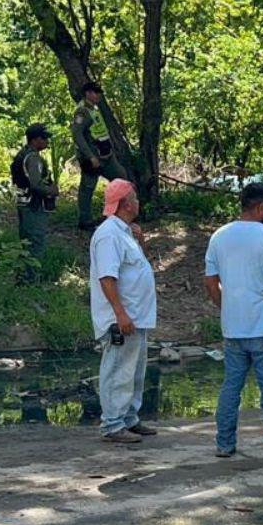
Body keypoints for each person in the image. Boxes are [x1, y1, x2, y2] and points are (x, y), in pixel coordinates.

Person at [204, 182, 263, 461]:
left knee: (231, 385)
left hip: (234, 328)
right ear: (261, 207)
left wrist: (226, 306)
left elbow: (210, 281)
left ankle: (224, 443)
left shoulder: (219, 237)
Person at [89, 179, 158, 443]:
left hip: (136, 316)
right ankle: (113, 423)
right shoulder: (109, 234)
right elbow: (107, 277)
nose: (139, 202)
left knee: (134, 371)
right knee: (118, 369)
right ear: (126, 204)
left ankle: (129, 418)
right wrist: (120, 313)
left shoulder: (124, 232)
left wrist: (140, 240)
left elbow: (135, 268)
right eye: (136, 198)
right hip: (123, 318)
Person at [73, 81, 127, 231]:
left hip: (106, 155)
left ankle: (119, 213)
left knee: (121, 177)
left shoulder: (94, 109)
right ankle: (85, 220)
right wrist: (90, 156)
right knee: (88, 187)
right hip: (93, 158)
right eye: (96, 92)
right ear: (88, 93)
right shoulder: (82, 111)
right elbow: (77, 135)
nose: (99, 95)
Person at [11, 122, 58, 274]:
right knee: (35, 242)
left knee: (25, 241)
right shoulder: (33, 158)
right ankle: (31, 278)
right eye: (44, 138)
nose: (46, 141)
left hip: (23, 202)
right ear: (35, 140)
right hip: (34, 205)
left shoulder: (22, 154)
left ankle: (24, 275)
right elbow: (36, 184)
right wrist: (51, 190)